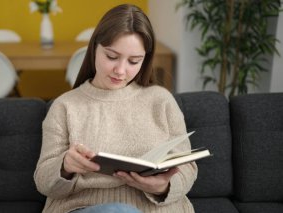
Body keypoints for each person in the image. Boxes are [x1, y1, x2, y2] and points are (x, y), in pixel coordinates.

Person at [34, 4, 198, 213]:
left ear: (145, 60)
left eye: (133, 61)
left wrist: (163, 186)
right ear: (94, 48)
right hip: (85, 207)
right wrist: (65, 166)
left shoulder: (161, 100)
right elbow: (43, 181)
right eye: (111, 57)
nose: (120, 70)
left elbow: (187, 169)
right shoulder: (65, 106)